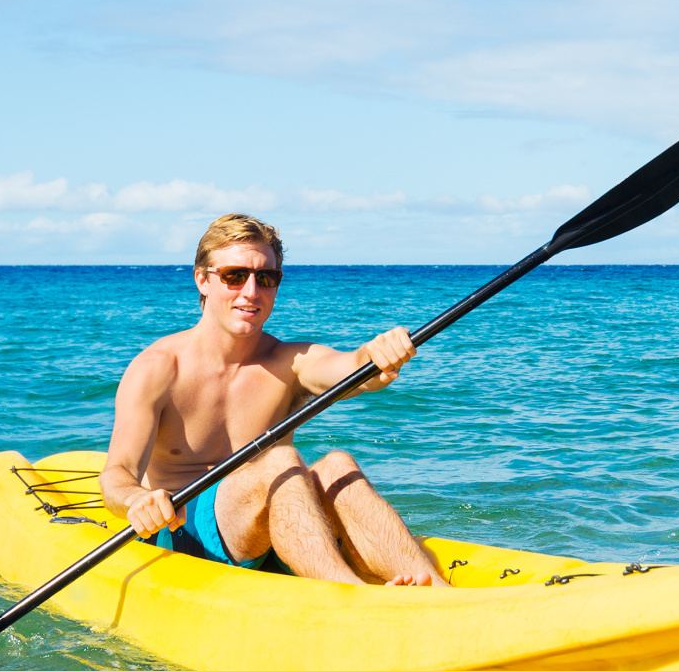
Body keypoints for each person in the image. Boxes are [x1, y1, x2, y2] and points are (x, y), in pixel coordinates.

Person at [100, 213, 451, 586]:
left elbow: (353, 369)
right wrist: (138, 500)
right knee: (279, 459)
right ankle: (351, 595)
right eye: (234, 276)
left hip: (274, 534)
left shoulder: (288, 363)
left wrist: (377, 357)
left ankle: (436, 591)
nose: (251, 292)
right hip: (187, 537)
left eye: (265, 278)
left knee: (336, 465)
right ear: (202, 280)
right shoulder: (158, 368)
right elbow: (116, 473)